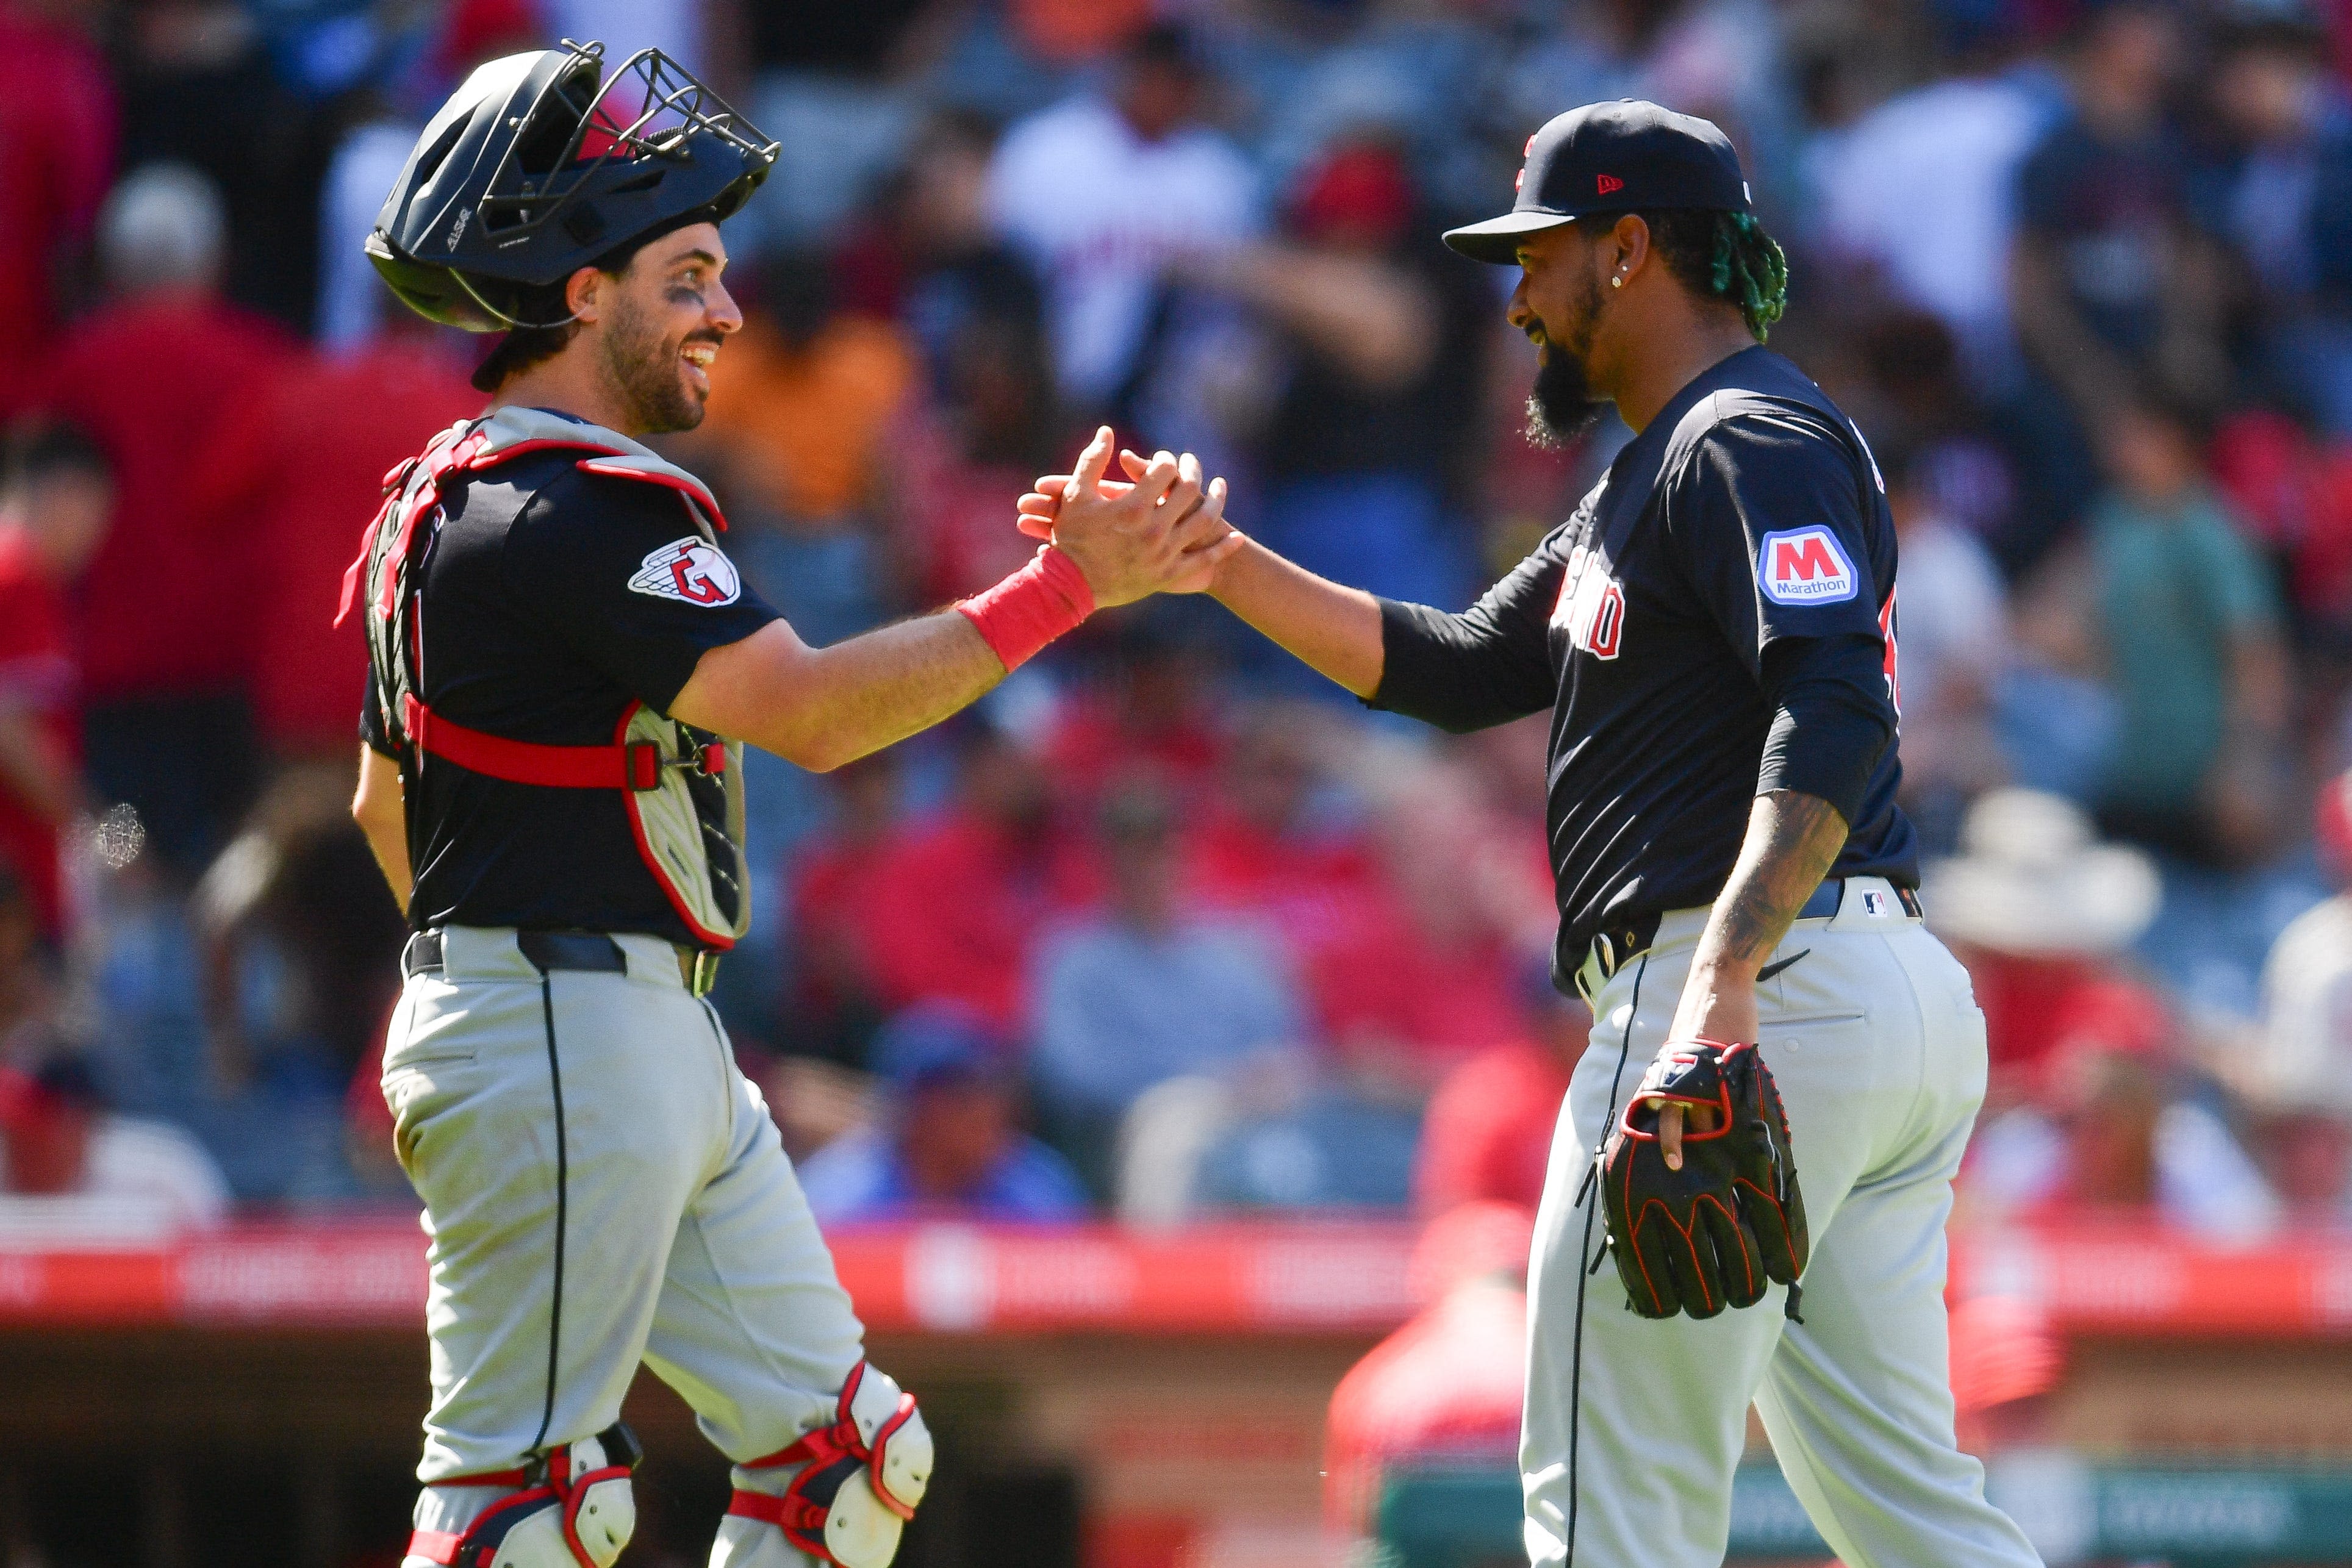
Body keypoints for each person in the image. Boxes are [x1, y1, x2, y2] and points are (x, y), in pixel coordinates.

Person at [1024, 99, 2035, 1568]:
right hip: (1857, 1001)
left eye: (1539, 258)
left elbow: (1833, 715)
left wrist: (1716, 994)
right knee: (1912, 1522)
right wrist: (1208, 561)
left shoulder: (1742, 433)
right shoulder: (1650, 470)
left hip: (1741, 980)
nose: (1515, 299)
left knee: (1605, 1511)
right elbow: (1447, 668)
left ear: (1627, 250)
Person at [347, 43, 1239, 1568]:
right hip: (567, 1022)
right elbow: (819, 715)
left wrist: (509, 993)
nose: (727, 310)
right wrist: (1071, 582)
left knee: (842, 1461)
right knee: (520, 1506)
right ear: (579, 289)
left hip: (606, 1023)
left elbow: (385, 812)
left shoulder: (452, 492)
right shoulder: (575, 502)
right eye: (687, 272)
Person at [794, 1004, 1088, 1226]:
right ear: (917, 1110)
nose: (992, 1113)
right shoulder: (840, 1192)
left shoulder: (1037, 1182)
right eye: (968, 1097)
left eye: (997, 1092)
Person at [0, 425, 112, 941]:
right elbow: (15, 739)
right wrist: (117, 837)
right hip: (16, 879)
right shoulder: (19, 578)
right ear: (69, 492)